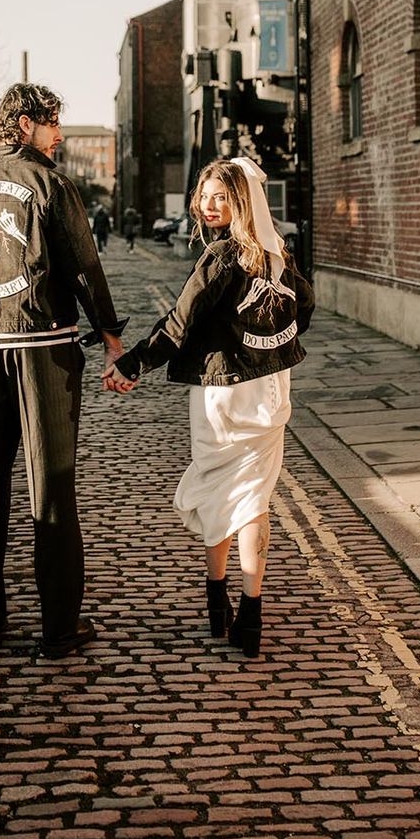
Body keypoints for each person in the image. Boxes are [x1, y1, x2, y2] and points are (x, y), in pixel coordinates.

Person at [0, 82, 128, 660]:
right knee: (53, 491)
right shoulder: (51, 185)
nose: (59, 135)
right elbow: (85, 267)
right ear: (24, 124)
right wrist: (112, 340)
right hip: (45, 351)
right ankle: (59, 629)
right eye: (53, 124)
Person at [104, 158, 314, 658]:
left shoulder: (221, 258)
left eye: (220, 195)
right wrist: (264, 344)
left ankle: (219, 601)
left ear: (241, 201)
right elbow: (303, 311)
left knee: (224, 491)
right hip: (270, 391)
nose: (208, 204)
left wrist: (131, 365)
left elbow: (179, 323)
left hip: (223, 394)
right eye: (205, 195)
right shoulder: (276, 254)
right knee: (253, 500)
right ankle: (247, 613)